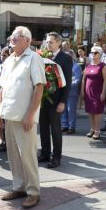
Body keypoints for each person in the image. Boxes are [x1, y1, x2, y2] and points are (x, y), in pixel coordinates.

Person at [0, 26, 46, 209]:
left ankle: (33, 192)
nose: (12, 39)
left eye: (16, 37)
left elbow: (39, 87)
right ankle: (19, 187)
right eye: (11, 37)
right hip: (9, 114)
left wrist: (30, 115)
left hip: (25, 117)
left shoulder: (34, 58)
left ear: (27, 40)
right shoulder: (9, 59)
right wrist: (0, 111)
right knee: (13, 154)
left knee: (27, 154)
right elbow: (2, 88)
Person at [38, 32, 72, 169]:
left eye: (51, 42)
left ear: (58, 43)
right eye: (47, 42)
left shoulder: (65, 58)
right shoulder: (43, 56)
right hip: (43, 99)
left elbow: (67, 82)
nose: (48, 44)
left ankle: (56, 157)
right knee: (43, 128)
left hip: (56, 100)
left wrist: (63, 101)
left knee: (56, 130)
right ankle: (45, 153)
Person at [81, 46, 106, 140]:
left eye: (96, 53)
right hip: (88, 92)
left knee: (97, 111)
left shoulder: (103, 66)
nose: (93, 54)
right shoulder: (88, 66)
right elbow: (84, 79)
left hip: (98, 92)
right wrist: (82, 91)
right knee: (90, 111)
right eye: (92, 53)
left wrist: (103, 92)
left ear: (100, 54)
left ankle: (97, 130)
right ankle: (92, 128)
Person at [61, 51, 82, 135]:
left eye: (68, 56)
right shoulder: (63, 65)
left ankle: (71, 127)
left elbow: (77, 79)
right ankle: (65, 125)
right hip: (63, 90)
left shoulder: (76, 66)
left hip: (72, 91)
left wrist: (68, 85)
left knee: (71, 110)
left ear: (72, 57)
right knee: (64, 109)